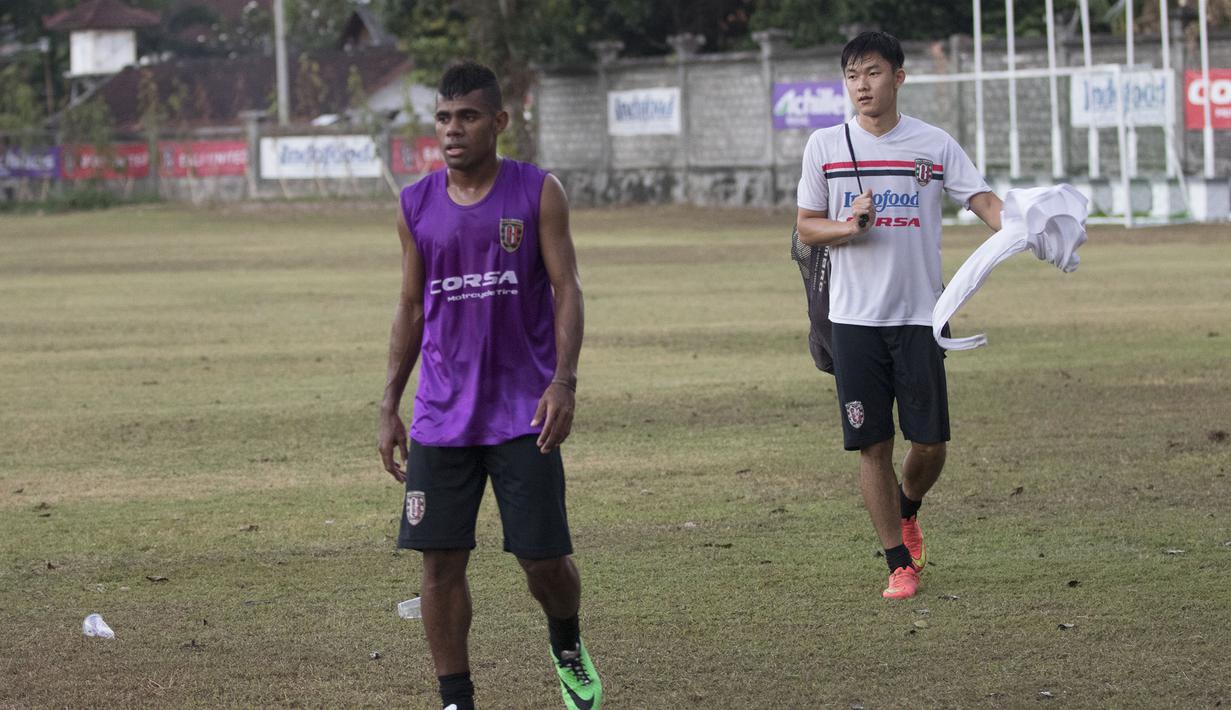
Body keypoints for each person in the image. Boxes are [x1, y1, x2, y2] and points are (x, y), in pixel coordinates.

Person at [377, 61, 601, 710]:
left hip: (523, 413)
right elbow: (411, 308)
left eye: (467, 117)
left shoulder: (536, 193)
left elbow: (567, 289)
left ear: (498, 122)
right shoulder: (415, 204)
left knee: (543, 564)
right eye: (444, 118)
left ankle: (565, 643)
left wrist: (563, 381)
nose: (453, 130)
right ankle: (456, 698)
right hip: (440, 418)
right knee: (439, 564)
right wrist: (389, 404)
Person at [795, 32, 1004, 600]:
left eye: (873, 73)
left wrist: (1031, 232)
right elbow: (806, 225)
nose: (862, 86)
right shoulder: (825, 146)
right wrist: (848, 226)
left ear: (899, 77)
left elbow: (983, 201)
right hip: (853, 320)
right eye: (853, 76)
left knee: (931, 445)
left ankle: (908, 508)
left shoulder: (932, 145)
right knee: (872, 445)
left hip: (920, 315)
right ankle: (897, 562)